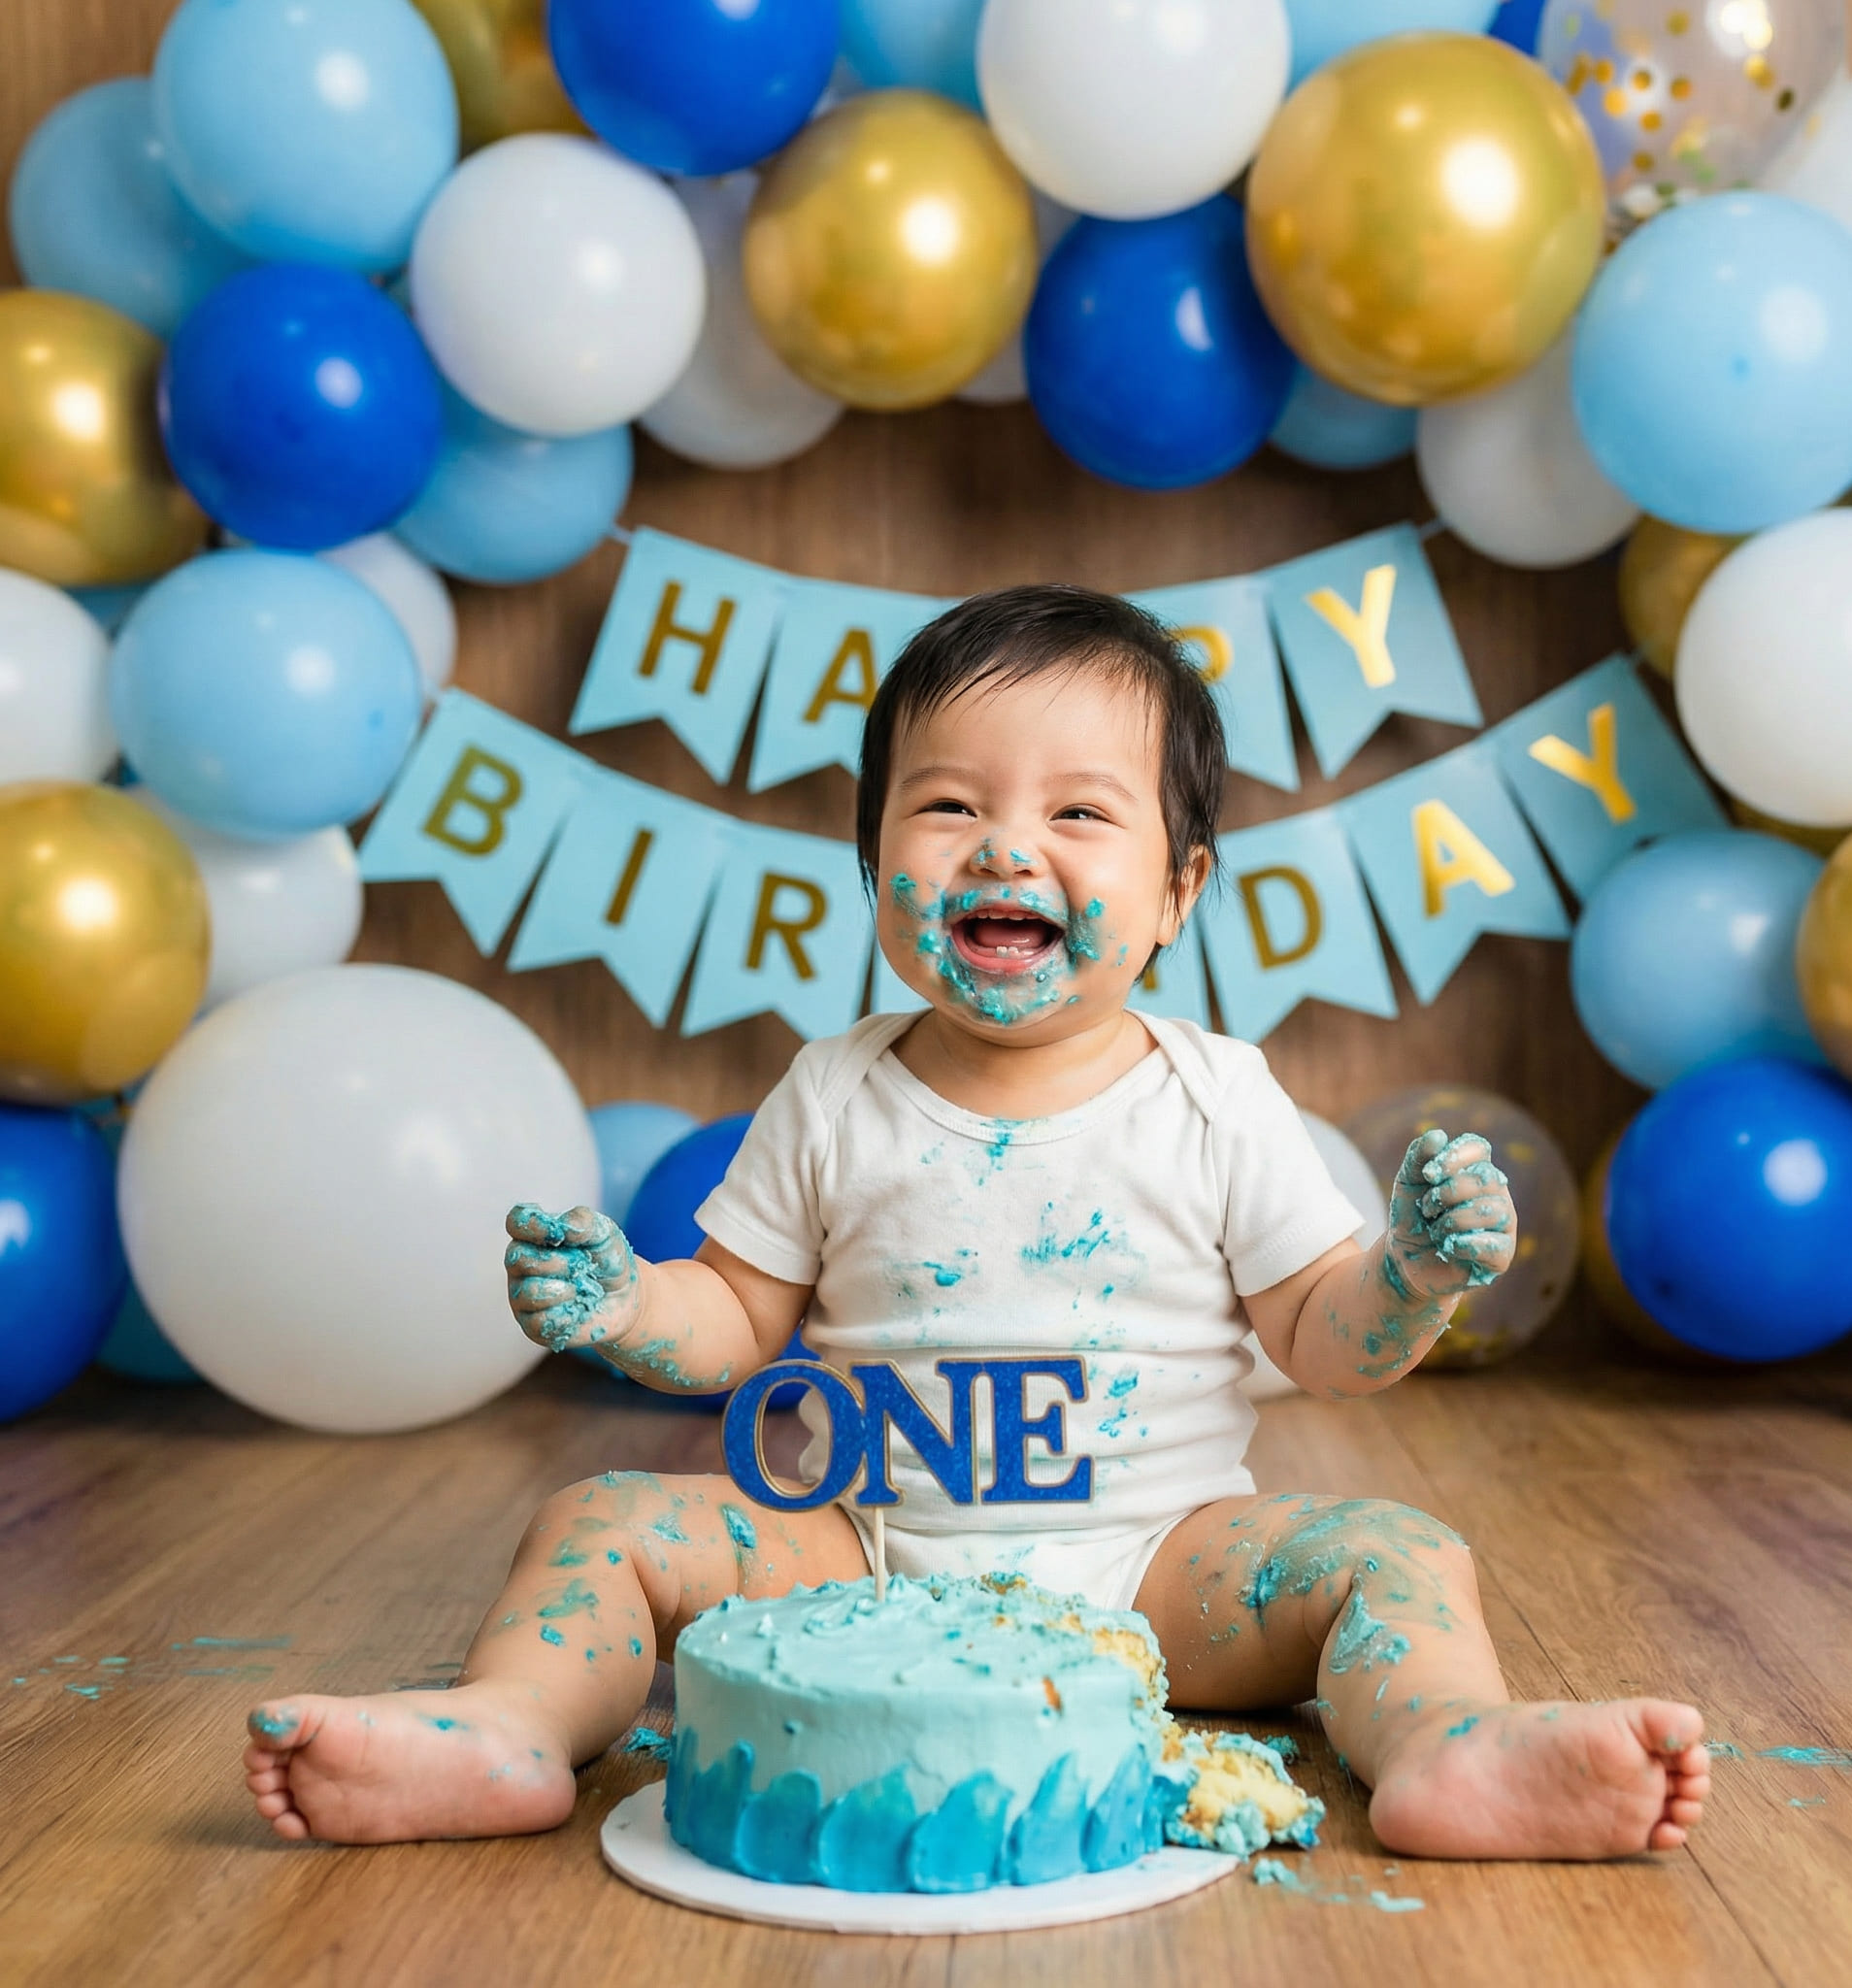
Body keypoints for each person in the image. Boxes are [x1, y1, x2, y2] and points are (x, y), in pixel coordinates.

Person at [243, 585, 1709, 1855]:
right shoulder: (833, 1093)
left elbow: (1329, 1343)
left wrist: (1409, 1273)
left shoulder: (1217, 1098)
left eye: (1079, 813)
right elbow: (737, 1320)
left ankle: (1454, 1747)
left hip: (1158, 1572)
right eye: (949, 805)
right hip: (860, 1562)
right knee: (600, 1521)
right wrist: (632, 1304)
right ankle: (508, 1731)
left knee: (1397, 1552)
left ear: (1176, 891)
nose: (1007, 849)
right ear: (869, 858)